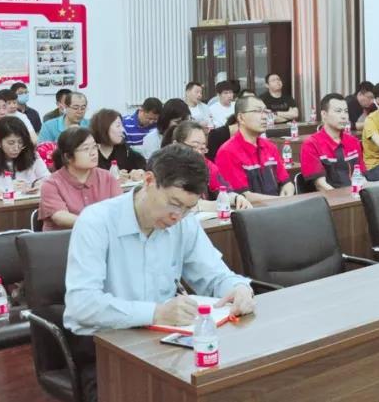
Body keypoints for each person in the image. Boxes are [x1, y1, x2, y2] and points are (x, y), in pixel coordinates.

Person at [63, 144, 256, 402]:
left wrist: (239, 289)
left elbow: (215, 275)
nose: (178, 216)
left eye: (188, 208)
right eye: (174, 204)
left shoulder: (184, 223)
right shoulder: (96, 222)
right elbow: (82, 305)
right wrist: (156, 313)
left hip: (165, 341)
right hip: (104, 347)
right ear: (149, 181)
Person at [38, 127, 122, 231]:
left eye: (94, 147)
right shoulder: (52, 184)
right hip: (66, 239)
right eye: (86, 149)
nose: (93, 153)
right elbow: (60, 217)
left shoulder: (107, 177)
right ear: (68, 157)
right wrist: (95, 223)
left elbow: (120, 209)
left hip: (102, 237)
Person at [215, 95, 294, 198]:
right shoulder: (227, 152)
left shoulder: (270, 147)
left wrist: (287, 191)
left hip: (278, 205)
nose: (264, 116)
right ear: (241, 118)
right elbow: (243, 196)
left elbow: (286, 182)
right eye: (258, 111)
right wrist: (278, 201)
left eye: (265, 111)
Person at [172, 121, 252, 210]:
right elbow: (183, 204)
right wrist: (217, 205)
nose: (199, 153)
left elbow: (225, 191)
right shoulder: (166, 168)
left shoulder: (208, 166)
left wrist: (236, 198)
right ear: (175, 145)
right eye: (194, 147)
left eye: (202, 148)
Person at [300, 93, 369, 189]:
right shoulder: (311, 144)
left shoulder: (353, 141)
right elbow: (320, 184)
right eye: (338, 111)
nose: (344, 116)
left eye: (346, 111)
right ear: (324, 114)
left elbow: (361, 176)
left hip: (354, 193)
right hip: (329, 196)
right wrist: (343, 197)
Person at [89, 108, 146, 180]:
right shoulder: (90, 151)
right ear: (104, 128)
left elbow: (143, 166)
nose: (122, 130)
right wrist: (111, 177)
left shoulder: (123, 149)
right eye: (118, 126)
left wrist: (138, 172)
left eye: (122, 126)